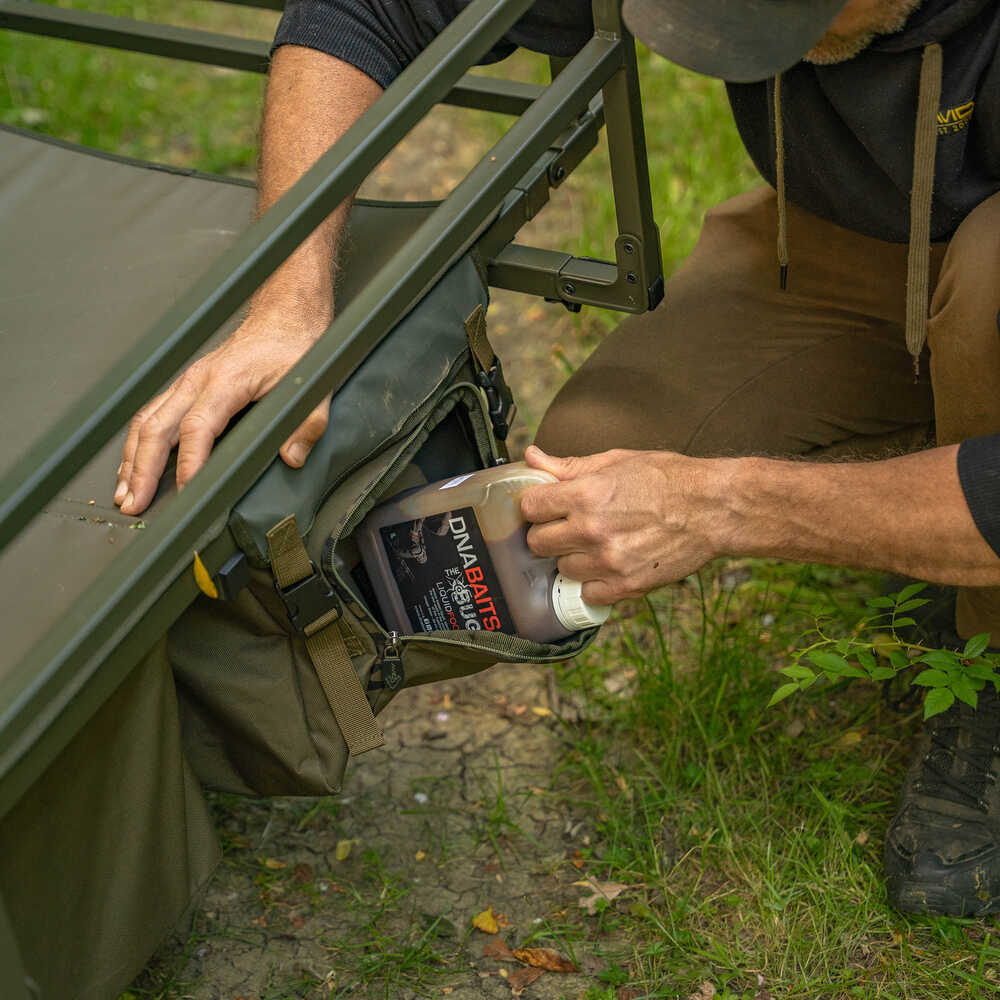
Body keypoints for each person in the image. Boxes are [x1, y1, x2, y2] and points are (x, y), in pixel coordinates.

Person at [113, 0, 1000, 916]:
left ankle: (990, 657)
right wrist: (288, 302)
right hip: (833, 250)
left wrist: (723, 505)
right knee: (566, 490)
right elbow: (363, 9)